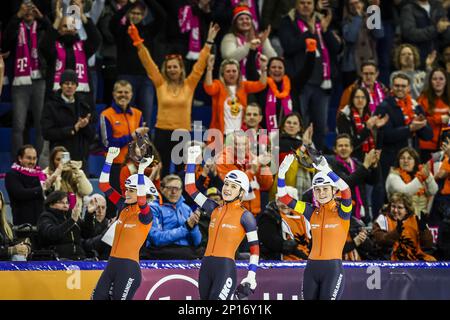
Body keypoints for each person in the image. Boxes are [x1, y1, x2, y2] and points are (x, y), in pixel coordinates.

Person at [129, 22, 220, 177]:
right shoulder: (160, 83)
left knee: (181, 171)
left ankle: (180, 199)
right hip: (162, 132)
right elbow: (148, 64)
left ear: (181, 68)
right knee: (160, 169)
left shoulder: (189, 84)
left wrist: (209, 42)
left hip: (182, 133)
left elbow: (199, 66)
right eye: (169, 67)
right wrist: (138, 43)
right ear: (166, 68)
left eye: (175, 67)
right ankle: (159, 199)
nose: (172, 69)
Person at [185, 145, 260, 300]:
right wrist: (192, 161)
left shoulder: (246, 216)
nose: (227, 189)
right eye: (226, 184)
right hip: (206, 266)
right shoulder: (213, 208)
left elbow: (255, 249)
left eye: (233, 186)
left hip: (225, 269)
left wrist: (251, 275)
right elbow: (190, 188)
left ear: (241, 193)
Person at [277, 153, 352, 300]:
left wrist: (327, 170)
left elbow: (347, 191)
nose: (321, 193)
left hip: (333, 270)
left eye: (325, 189)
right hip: (311, 268)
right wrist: (281, 173)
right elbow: (284, 198)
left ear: (333, 190)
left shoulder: (343, 212)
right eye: (317, 189)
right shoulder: (311, 211)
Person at [92, 147, 156, 300]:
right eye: (126, 189)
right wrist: (109, 160)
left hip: (128, 269)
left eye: (131, 190)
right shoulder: (123, 206)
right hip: (111, 264)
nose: (126, 192)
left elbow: (141, 200)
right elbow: (103, 185)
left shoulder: (145, 214)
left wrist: (141, 171)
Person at [279, 0, 342, 150]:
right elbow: (288, 46)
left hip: (322, 83)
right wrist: (309, 33)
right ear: (296, 5)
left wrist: (326, 31)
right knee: (302, 123)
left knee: (320, 125)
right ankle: (300, 156)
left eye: (309, 2)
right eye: (302, 2)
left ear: (314, 5)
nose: (306, 5)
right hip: (301, 83)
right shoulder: (288, 22)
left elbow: (336, 48)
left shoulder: (322, 21)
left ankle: (318, 158)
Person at [109, 0, 166, 128]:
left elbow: (162, 16)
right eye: (133, 13)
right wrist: (130, 3)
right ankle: (126, 145)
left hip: (146, 79)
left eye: (139, 14)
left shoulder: (148, 31)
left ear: (143, 15)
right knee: (125, 116)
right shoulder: (121, 30)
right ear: (128, 14)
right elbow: (113, 21)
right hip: (125, 78)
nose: (135, 16)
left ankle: (144, 147)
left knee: (145, 117)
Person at [4, 1, 50, 157]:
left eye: (32, 8)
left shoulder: (43, 27)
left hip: (40, 79)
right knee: (18, 125)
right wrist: (17, 16)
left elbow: (54, 34)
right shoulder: (16, 26)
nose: (29, 11)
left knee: (40, 124)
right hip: (20, 81)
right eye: (25, 8)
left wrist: (42, 18)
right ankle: (18, 161)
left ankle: (39, 163)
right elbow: (5, 41)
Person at [99, 79, 149, 216]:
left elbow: (141, 142)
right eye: (119, 92)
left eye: (126, 92)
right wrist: (132, 136)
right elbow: (106, 144)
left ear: (131, 94)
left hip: (133, 166)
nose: (123, 95)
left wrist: (141, 139)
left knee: (134, 203)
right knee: (113, 202)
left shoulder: (138, 114)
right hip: (114, 166)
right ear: (114, 94)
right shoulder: (106, 115)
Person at [39, 0, 101, 107]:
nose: (69, 29)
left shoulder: (83, 48)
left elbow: (96, 39)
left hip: (81, 97)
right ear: (59, 30)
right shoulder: (53, 47)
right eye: (65, 26)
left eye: (72, 26)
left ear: (76, 30)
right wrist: (58, 19)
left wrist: (81, 15)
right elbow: (44, 45)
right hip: (56, 97)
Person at [41, 69, 95, 172]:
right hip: (59, 160)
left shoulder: (84, 106)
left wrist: (85, 126)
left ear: (76, 86)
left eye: (73, 83)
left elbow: (91, 136)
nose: (69, 86)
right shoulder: (51, 106)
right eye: (66, 83)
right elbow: (47, 133)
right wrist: (73, 129)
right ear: (61, 85)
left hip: (80, 160)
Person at [204, 54, 267, 137]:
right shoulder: (219, 85)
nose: (231, 74)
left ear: (238, 73)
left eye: (234, 71)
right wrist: (209, 69)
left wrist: (263, 69)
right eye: (228, 71)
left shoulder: (243, 86)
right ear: (223, 74)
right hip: (221, 134)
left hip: (240, 136)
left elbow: (261, 85)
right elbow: (209, 88)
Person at [215, 131, 273, 217]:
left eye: (244, 144)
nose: (240, 148)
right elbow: (234, 185)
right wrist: (252, 171)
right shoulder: (223, 160)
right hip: (232, 213)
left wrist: (264, 167)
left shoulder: (253, 158)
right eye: (237, 144)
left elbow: (266, 185)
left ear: (249, 145)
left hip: (253, 213)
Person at [144, 174, 203, 260]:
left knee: (204, 252)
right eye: (170, 188)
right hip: (161, 250)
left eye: (177, 189)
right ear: (162, 188)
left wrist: (193, 227)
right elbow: (156, 239)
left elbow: (197, 242)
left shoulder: (186, 208)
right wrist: (186, 227)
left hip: (185, 250)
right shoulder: (153, 208)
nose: (174, 192)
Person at [327, 133, 380, 224]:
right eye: (340, 146)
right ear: (335, 149)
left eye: (346, 145)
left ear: (351, 148)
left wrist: (375, 165)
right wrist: (366, 165)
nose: (343, 148)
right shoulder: (332, 164)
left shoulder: (357, 163)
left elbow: (373, 181)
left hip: (362, 210)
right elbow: (346, 183)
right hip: (343, 211)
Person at [373, 192, 436, 261]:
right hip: (390, 259)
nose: (395, 210)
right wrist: (396, 232)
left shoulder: (417, 220)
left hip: (416, 258)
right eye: (393, 206)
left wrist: (423, 230)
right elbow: (380, 240)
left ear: (407, 210)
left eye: (400, 207)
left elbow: (428, 245)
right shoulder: (383, 219)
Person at [220, 4, 276, 80]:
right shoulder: (230, 37)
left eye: (247, 18)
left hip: (258, 81)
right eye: (241, 19)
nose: (245, 21)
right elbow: (229, 58)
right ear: (235, 23)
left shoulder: (260, 37)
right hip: (236, 81)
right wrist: (249, 45)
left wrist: (263, 43)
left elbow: (273, 59)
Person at [336, 86, 389, 162]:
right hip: (353, 159)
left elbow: (378, 144)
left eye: (363, 97)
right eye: (357, 97)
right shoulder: (344, 116)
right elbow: (349, 144)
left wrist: (378, 128)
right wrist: (367, 129)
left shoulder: (370, 115)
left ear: (367, 100)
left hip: (370, 156)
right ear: (352, 99)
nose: (360, 100)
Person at [258, 186, 311, 260]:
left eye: (289, 202)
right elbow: (270, 240)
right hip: (277, 261)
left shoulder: (303, 216)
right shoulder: (269, 216)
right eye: (282, 201)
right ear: (277, 201)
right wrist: (292, 249)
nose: (285, 205)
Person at [269, 113, 314, 199]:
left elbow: (311, 166)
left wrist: (307, 144)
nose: (291, 125)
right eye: (288, 122)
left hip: (299, 187)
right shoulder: (275, 142)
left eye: (295, 123)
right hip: (278, 185)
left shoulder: (305, 143)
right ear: (283, 126)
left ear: (300, 127)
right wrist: (303, 147)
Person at [385, 147, 438, 219]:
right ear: (398, 161)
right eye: (402, 158)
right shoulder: (393, 176)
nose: (405, 161)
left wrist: (428, 177)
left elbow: (433, 191)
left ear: (415, 161)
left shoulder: (423, 172)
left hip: (421, 218)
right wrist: (421, 178)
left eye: (409, 158)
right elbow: (405, 191)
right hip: (399, 219)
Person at [341, 0, 384, 87]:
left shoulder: (370, 17)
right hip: (352, 66)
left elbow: (379, 34)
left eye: (357, 3)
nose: (354, 6)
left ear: (363, 3)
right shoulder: (346, 21)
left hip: (369, 62)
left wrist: (374, 12)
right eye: (351, 4)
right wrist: (358, 17)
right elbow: (350, 38)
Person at [43, 146, 93, 215]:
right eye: (58, 159)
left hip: (75, 215)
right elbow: (51, 196)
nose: (61, 162)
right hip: (55, 216)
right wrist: (57, 175)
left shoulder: (75, 173)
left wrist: (79, 173)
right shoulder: (46, 174)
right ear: (52, 161)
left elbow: (87, 191)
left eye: (63, 159)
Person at [37, 190, 86, 260]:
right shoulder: (46, 217)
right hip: (57, 259)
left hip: (79, 257)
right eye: (61, 203)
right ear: (51, 204)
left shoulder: (71, 216)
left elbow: (87, 233)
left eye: (67, 203)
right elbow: (52, 234)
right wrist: (71, 221)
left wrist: (90, 214)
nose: (65, 205)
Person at [5, 144, 46, 226]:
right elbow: (20, 193)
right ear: (20, 158)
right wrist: (43, 189)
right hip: (24, 224)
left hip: (42, 223)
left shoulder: (41, 174)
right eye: (29, 158)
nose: (32, 162)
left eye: (34, 158)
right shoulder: (12, 175)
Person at [401, 0, 450, 65]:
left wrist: (445, 29)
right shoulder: (408, 8)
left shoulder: (437, 7)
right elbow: (410, 34)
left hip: (437, 58)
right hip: (417, 58)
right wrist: (435, 29)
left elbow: (446, 32)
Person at [418, 67, 450, 161]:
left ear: (446, 81)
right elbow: (419, 120)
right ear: (430, 81)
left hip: (447, 146)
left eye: (441, 79)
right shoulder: (423, 98)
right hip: (426, 145)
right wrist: (439, 119)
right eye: (434, 79)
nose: (438, 81)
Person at [0, 191, 32, 261]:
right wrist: (10, 250)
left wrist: (25, 247)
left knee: (19, 257)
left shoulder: (7, 225)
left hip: (7, 263)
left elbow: (15, 243)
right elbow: (12, 249)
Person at [82, 193, 114, 260]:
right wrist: (108, 230)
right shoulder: (84, 224)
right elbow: (88, 245)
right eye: (97, 208)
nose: (100, 211)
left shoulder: (109, 223)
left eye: (103, 207)